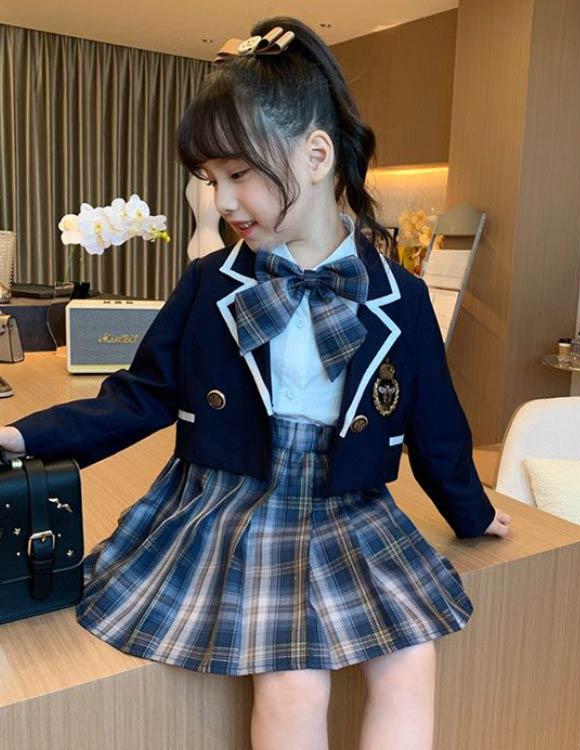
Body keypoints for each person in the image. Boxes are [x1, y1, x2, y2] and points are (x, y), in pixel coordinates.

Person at [0, 17, 511, 750]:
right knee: (294, 678)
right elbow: (142, 394)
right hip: (232, 499)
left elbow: (435, 423)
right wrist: (23, 436)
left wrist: (471, 511)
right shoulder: (211, 283)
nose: (222, 202)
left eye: (238, 174)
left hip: (347, 503)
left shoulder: (399, 294)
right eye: (212, 180)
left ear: (316, 154)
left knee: (411, 658)